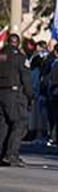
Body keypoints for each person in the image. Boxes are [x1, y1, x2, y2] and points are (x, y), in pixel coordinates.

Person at [0, 34, 33, 167]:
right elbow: (26, 78)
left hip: (1, 93)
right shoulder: (19, 57)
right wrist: (30, 95)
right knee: (20, 123)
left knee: (3, 125)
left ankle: (2, 154)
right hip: (13, 93)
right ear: (17, 43)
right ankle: (11, 155)